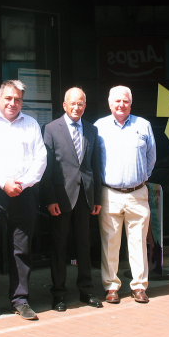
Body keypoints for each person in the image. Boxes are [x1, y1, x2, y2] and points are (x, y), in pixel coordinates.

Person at [0, 80, 47, 321]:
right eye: (8, 98)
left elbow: (40, 159)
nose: (13, 103)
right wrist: (3, 182)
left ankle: (20, 299)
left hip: (23, 194)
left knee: (21, 249)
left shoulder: (32, 124)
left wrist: (22, 184)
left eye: (17, 99)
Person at [40, 87, 104, 312]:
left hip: (85, 198)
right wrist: (49, 199)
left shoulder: (92, 130)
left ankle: (87, 291)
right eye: (72, 103)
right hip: (60, 198)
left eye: (81, 104)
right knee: (59, 247)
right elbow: (46, 168)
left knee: (84, 246)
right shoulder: (50, 129)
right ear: (64, 105)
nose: (76, 107)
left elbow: (94, 166)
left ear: (85, 106)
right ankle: (58, 294)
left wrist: (97, 197)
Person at [94, 85, 156, 304]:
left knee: (138, 242)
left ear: (131, 103)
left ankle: (139, 286)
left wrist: (139, 178)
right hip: (109, 193)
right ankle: (111, 286)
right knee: (110, 243)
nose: (121, 105)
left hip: (137, 194)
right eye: (117, 101)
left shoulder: (143, 125)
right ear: (109, 103)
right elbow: (94, 160)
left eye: (125, 101)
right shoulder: (99, 127)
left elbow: (151, 158)